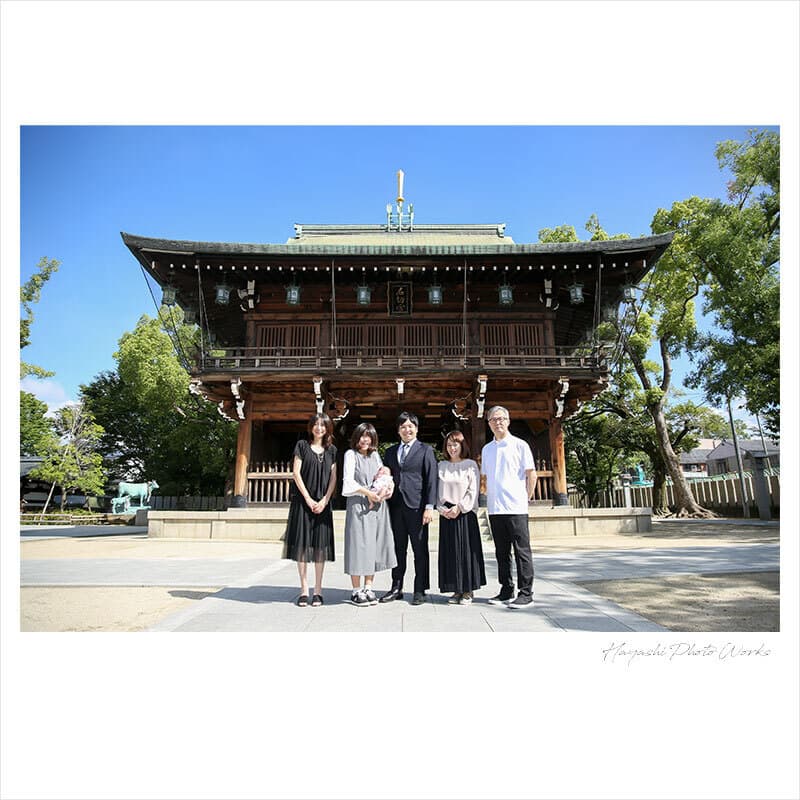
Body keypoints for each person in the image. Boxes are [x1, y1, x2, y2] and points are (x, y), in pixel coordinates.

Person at [480, 406, 538, 609]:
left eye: (502, 418)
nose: (498, 422)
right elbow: (485, 477)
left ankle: (526, 593)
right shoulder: (487, 449)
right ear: (488, 424)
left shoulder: (520, 445)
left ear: (509, 420)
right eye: (493, 419)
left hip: (516, 507)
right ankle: (506, 589)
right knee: (501, 552)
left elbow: (531, 474)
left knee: (522, 551)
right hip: (496, 508)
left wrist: (526, 498)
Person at [381, 412, 439, 605]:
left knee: (420, 550)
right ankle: (396, 587)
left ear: (416, 428)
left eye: (410, 426)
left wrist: (430, 507)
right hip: (396, 506)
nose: (407, 429)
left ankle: (420, 589)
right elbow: (386, 477)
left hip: (418, 507)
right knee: (398, 549)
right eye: (403, 427)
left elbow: (431, 479)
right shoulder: (390, 452)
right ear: (398, 430)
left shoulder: (426, 450)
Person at [283, 413, 338, 607]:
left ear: (328, 428)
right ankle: (304, 590)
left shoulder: (332, 450)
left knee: (320, 547)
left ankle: (318, 590)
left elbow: (333, 478)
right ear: (311, 427)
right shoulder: (302, 446)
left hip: (323, 504)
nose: (319, 428)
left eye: (323, 425)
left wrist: (324, 500)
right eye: (316, 425)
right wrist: (307, 499)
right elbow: (296, 473)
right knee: (302, 546)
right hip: (302, 502)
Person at [342, 422, 397, 607]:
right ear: (356, 438)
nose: (365, 439)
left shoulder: (375, 456)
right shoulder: (351, 455)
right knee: (358, 546)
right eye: (361, 435)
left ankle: (368, 587)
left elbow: (384, 478)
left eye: (368, 436)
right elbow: (348, 482)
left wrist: (388, 489)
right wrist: (368, 494)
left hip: (377, 506)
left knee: (373, 546)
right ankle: (356, 590)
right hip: (358, 504)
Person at [437, 430, 486, 605]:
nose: (452, 448)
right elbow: (436, 490)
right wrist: (442, 509)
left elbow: (473, 490)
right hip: (446, 513)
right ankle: (456, 589)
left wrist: (460, 507)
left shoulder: (470, 464)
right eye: (449, 445)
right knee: (450, 552)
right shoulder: (441, 465)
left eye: (455, 444)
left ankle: (468, 590)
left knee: (466, 551)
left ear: (462, 445)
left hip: (465, 513)